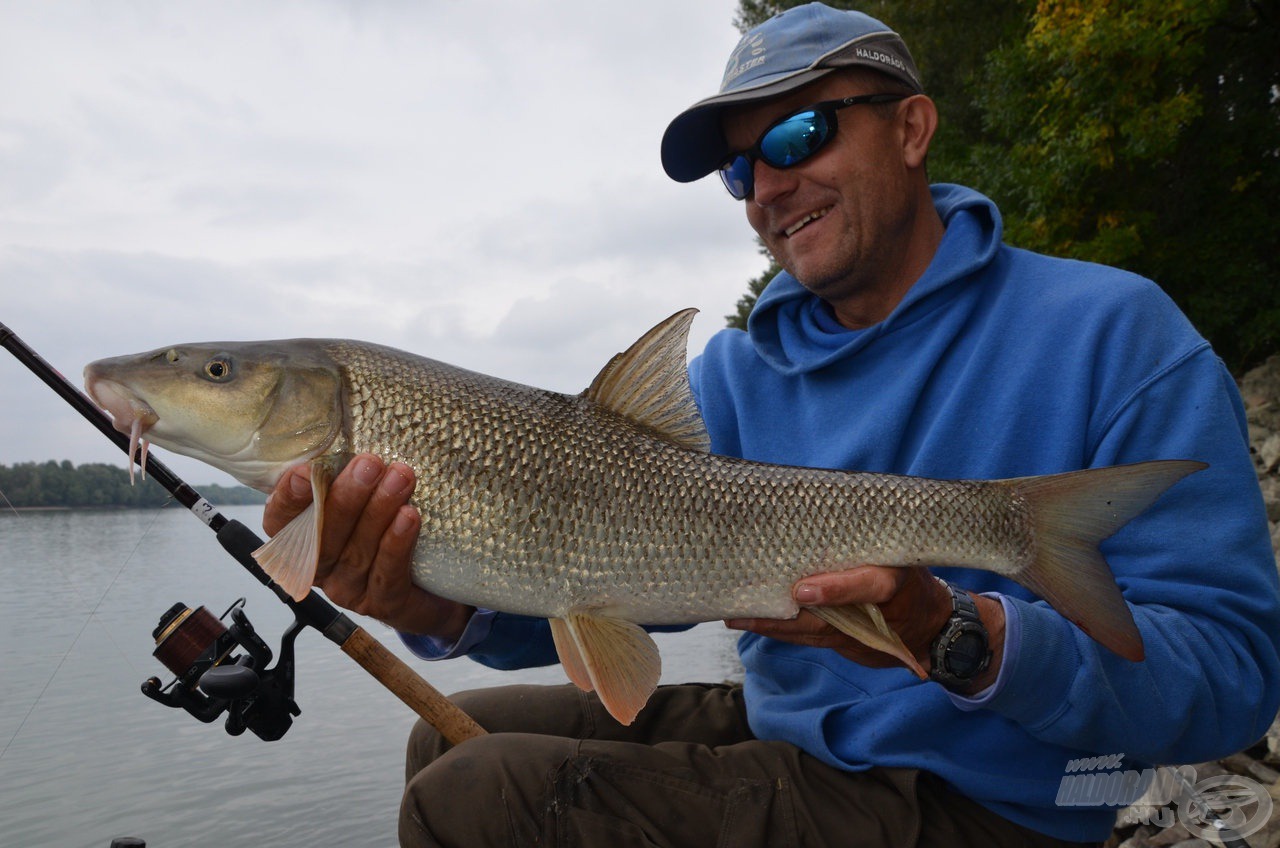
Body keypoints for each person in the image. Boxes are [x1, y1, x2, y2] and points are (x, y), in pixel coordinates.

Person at [263, 4, 1280, 846]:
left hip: (1002, 798)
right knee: (454, 740)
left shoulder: (1109, 331)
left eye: (799, 136)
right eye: (742, 170)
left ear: (912, 127)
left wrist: (957, 637)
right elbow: (588, 568)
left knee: (472, 799)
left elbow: (1230, 678)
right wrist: (435, 603)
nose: (768, 188)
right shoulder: (735, 375)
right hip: (799, 738)